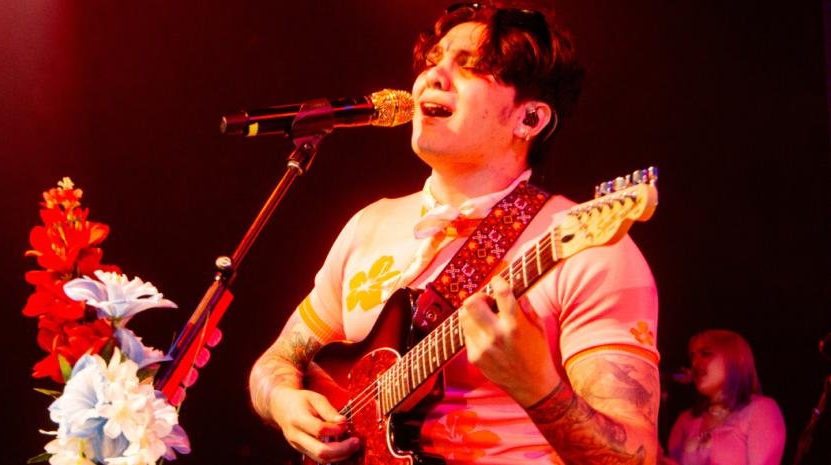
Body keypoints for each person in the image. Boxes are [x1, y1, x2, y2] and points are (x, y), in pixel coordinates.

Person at [248, 2, 661, 463]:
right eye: (433, 60)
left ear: (530, 119)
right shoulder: (369, 226)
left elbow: (638, 456)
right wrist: (283, 401)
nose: (434, 75)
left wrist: (539, 390)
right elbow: (276, 360)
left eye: (471, 66)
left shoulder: (588, 248)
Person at [661, 329, 785, 465]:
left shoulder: (761, 409)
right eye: (693, 356)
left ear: (737, 359)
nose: (695, 363)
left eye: (706, 354)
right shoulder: (685, 420)